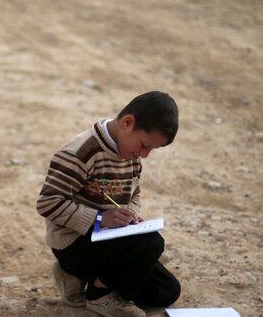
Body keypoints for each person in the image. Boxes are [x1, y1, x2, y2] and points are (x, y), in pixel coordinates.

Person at [36, 91, 181, 317]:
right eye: (145, 145)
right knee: (151, 243)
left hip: (109, 242)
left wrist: (129, 214)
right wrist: (100, 219)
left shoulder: (130, 154)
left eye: (151, 150)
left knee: (166, 291)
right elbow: (48, 203)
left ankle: (76, 277)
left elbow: (134, 195)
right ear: (128, 123)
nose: (145, 155)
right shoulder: (80, 152)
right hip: (74, 243)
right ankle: (98, 296)